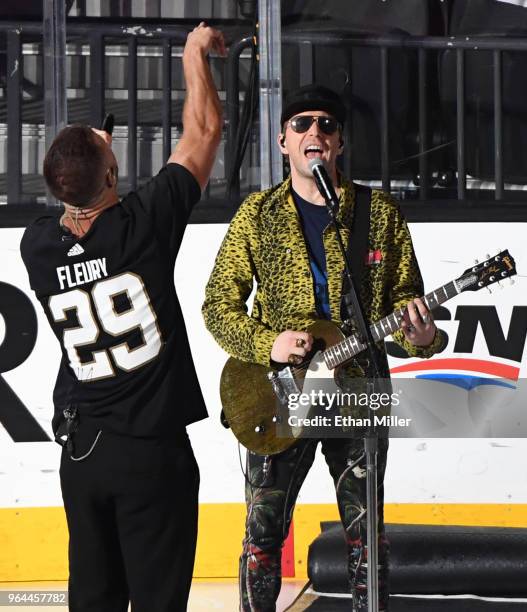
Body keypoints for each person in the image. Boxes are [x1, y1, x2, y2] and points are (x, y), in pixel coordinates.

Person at [202, 84, 445, 612]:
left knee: (366, 538)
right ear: (284, 142)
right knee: (263, 531)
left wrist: (421, 337)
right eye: (302, 124)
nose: (315, 132)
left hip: (358, 390)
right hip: (279, 394)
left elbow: (403, 305)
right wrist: (271, 342)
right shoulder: (257, 214)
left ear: (340, 144)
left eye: (327, 125)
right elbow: (217, 307)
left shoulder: (378, 213)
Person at [20, 22, 225, 612]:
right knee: (158, 599)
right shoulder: (144, 226)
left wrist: (93, 165)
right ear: (111, 175)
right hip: (148, 450)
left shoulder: (37, 246)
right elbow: (205, 130)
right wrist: (192, 52)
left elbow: (79, 210)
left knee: (93, 596)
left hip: (82, 451)